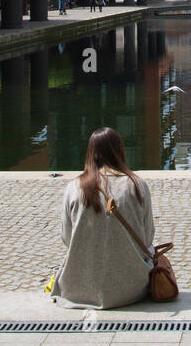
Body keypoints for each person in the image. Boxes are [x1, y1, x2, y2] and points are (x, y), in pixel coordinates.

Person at [50, 127, 156, 310]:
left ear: (90, 153)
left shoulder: (74, 187)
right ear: (120, 151)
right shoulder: (137, 185)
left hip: (80, 288)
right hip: (131, 288)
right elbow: (147, 238)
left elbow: (67, 238)